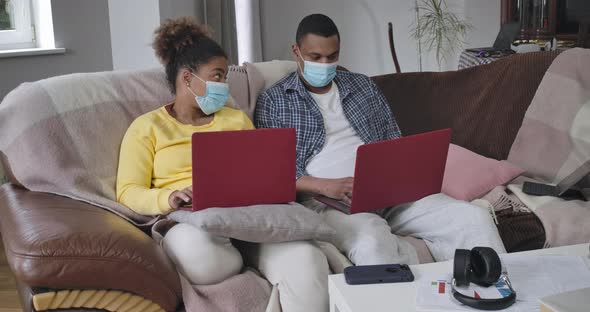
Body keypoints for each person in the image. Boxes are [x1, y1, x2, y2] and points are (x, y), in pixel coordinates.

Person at [255, 14, 506, 267]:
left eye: (332, 57)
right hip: (329, 203)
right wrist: (325, 186)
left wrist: (400, 178)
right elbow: (274, 172)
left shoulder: (363, 86)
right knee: (372, 244)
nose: (325, 64)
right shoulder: (274, 101)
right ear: (296, 51)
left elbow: (393, 142)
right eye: (315, 57)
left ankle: (499, 292)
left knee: (473, 218)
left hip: (388, 193)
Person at [116, 17, 329, 312]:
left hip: (249, 216)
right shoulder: (146, 127)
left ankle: (254, 254)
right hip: (191, 221)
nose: (224, 86)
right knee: (202, 258)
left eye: (225, 77)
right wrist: (169, 197)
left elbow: (263, 172)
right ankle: (243, 260)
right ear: (188, 79)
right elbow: (127, 190)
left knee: (309, 261)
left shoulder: (235, 119)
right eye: (217, 76)